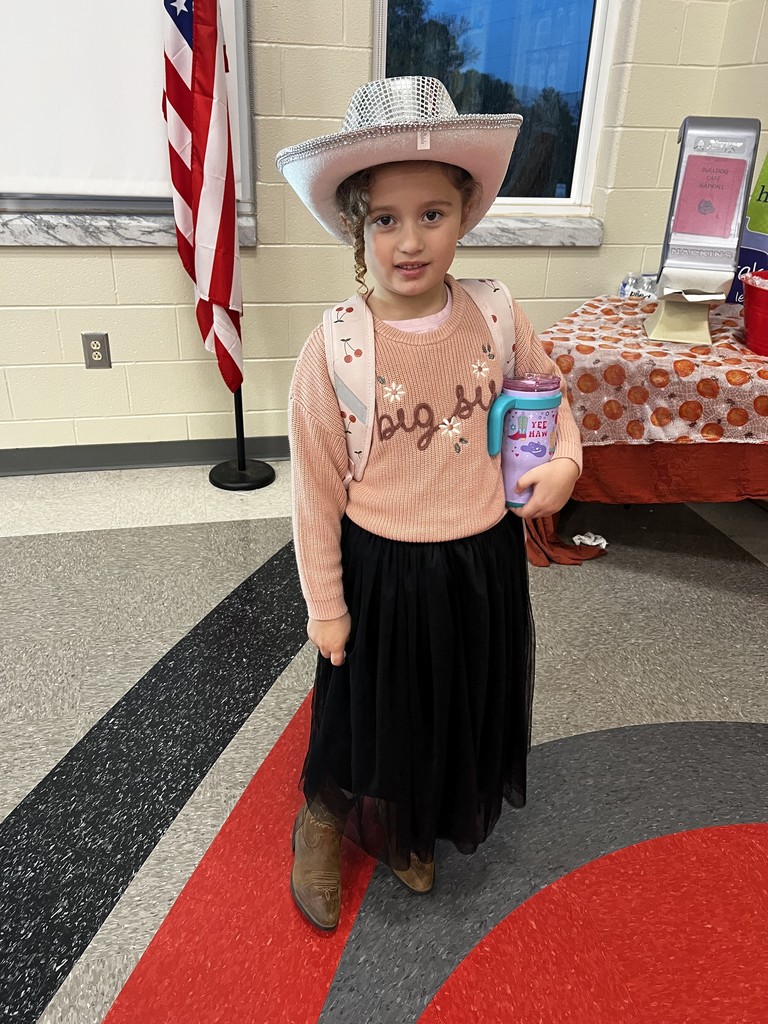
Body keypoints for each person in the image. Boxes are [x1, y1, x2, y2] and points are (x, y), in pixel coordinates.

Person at [276, 77, 582, 931]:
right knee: (365, 711)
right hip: (382, 570)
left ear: (465, 213)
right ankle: (325, 814)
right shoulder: (335, 348)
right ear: (355, 225)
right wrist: (326, 607)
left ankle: (415, 824)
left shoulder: (495, 313)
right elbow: (315, 493)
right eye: (386, 219)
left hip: (478, 563)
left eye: (433, 214)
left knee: (450, 708)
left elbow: (548, 399)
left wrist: (563, 462)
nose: (410, 241)